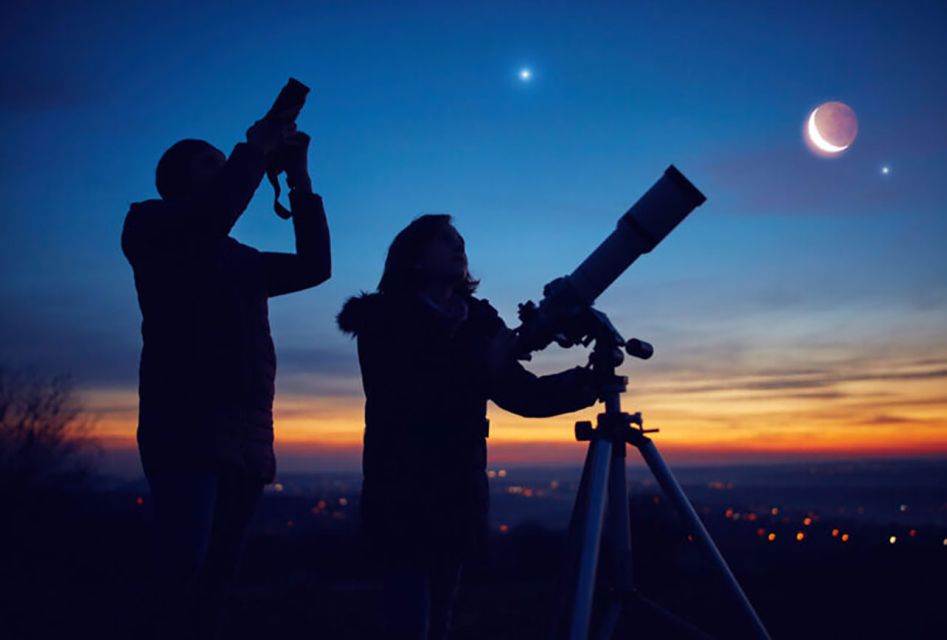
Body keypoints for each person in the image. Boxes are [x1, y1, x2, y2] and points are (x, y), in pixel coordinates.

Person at [337, 214, 598, 640]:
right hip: (402, 488)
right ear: (414, 259)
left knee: (440, 621)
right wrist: (485, 360)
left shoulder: (479, 321)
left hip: (458, 489)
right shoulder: (382, 320)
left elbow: (519, 393)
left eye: (461, 241)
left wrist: (584, 384)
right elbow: (407, 387)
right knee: (409, 623)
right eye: (445, 240)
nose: (459, 247)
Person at [121, 117, 331, 638]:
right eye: (209, 162)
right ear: (178, 179)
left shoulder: (243, 261)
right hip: (185, 426)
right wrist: (255, 149)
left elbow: (315, 266)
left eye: (225, 162)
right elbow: (213, 212)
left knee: (217, 580)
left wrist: (300, 181)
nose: (224, 168)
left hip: (246, 434)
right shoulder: (150, 226)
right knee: (180, 569)